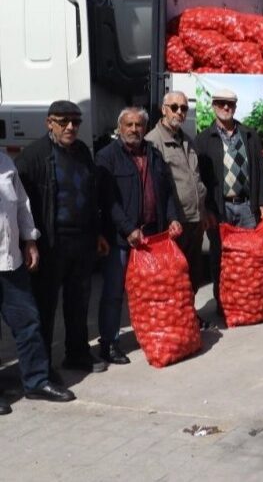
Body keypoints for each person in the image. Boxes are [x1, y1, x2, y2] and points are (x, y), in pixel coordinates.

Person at [15, 99, 107, 375]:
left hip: (82, 240)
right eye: (63, 121)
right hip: (51, 243)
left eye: (76, 122)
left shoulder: (81, 152)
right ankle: (42, 366)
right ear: (49, 123)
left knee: (78, 303)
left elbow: (91, 196)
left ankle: (77, 354)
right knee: (45, 307)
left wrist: (98, 232)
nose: (70, 127)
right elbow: (21, 204)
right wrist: (29, 242)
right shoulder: (33, 156)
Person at [95, 107, 183, 365]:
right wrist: (127, 229)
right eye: (129, 125)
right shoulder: (106, 157)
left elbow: (165, 192)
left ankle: (153, 334)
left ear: (145, 128)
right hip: (123, 238)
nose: (134, 129)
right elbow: (107, 200)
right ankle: (109, 343)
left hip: (152, 238)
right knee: (114, 291)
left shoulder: (153, 154)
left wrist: (173, 218)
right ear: (119, 127)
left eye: (139, 125)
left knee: (153, 291)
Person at [0, 151, 77, 412]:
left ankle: (36, 381)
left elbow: (21, 204)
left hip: (10, 261)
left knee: (29, 322)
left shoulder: (5, 161)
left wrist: (30, 240)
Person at [195, 89, 263, 325]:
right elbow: (201, 178)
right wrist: (206, 209)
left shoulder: (248, 135)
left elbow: (260, 169)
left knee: (249, 258)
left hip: (246, 205)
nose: (226, 108)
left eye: (230, 104)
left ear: (235, 107)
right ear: (214, 105)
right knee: (220, 257)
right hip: (220, 208)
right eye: (221, 103)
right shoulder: (204, 139)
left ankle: (248, 302)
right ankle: (223, 303)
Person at [146, 91, 211, 328]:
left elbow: (195, 178)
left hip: (194, 218)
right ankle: (177, 318)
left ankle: (189, 314)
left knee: (194, 272)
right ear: (164, 109)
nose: (179, 112)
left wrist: (202, 212)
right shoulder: (154, 141)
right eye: (174, 107)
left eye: (183, 108)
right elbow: (157, 187)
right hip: (176, 221)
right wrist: (169, 219)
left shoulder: (187, 139)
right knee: (176, 275)